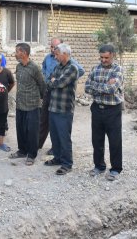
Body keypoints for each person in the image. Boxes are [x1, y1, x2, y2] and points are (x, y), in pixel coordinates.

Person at [84, 44, 124, 181]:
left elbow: (112, 89)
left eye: (106, 57)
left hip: (113, 110)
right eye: (101, 57)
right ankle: (99, 166)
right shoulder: (95, 68)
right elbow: (87, 88)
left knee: (115, 141)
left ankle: (116, 169)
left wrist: (97, 86)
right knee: (97, 140)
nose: (103, 60)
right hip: (97, 108)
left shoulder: (118, 69)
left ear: (112, 55)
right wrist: (105, 85)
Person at [39, 38, 85, 155]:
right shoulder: (49, 59)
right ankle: (40, 144)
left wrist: (65, 80)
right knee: (45, 120)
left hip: (63, 99)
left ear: (63, 52)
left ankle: (61, 155)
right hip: (50, 94)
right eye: (52, 47)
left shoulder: (71, 65)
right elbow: (46, 73)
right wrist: (49, 79)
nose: (53, 51)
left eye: (56, 49)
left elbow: (60, 82)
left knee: (62, 128)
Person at [44, 43, 79, 175]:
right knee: (55, 136)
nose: (55, 56)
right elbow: (49, 80)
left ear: (64, 54)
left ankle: (67, 164)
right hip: (53, 107)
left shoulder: (72, 68)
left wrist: (54, 81)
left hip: (64, 109)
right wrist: (53, 81)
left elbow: (59, 83)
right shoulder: (58, 67)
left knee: (64, 137)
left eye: (57, 54)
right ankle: (57, 158)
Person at [9, 43, 45, 165]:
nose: (15, 53)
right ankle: (22, 150)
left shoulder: (35, 67)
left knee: (32, 131)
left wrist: (40, 99)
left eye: (16, 51)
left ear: (23, 53)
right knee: (21, 129)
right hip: (20, 104)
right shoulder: (18, 67)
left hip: (33, 105)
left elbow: (42, 85)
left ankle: (31, 154)